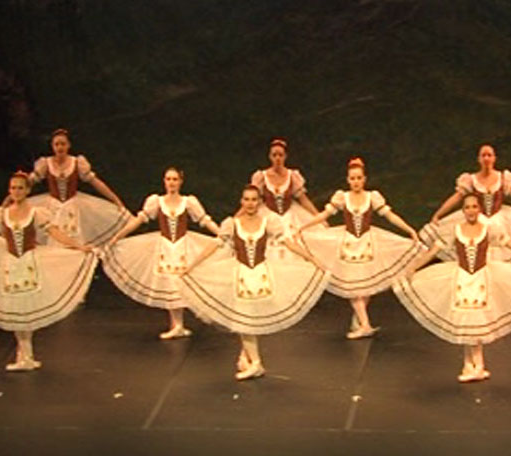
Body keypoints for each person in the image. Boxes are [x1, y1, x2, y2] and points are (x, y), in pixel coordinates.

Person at [0, 171, 96, 371]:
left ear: (28, 190)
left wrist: (79, 246)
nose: (16, 191)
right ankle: (24, 353)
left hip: (28, 263)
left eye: (20, 188)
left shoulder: (36, 212)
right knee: (15, 309)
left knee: (25, 310)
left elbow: (55, 232)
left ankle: (26, 354)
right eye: (13, 188)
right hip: (11, 265)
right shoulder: (1, 214)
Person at [395, 194, 511, 382]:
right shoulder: (455, 230)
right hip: (462, 280)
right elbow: (433, 251)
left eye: (474, 206)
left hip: (481, 280)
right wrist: (414, 267)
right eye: (467, 207)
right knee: (466, 323)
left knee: (477, 323)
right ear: (463, 210)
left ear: (479, 209)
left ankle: (479, 364)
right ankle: (469, 364)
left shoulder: (488, 229)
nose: (471, 210)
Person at [181, 185, 329, 380]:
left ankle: (254, 362)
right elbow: (215, 245)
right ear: (242, 202)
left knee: (248, 321)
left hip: (261, 276)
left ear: (259, 203)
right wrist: (192, 265)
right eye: (247, 200)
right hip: (241, 276)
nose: (250, 203)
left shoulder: (268, 223)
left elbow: (288, 243)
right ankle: (252, 360)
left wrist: (312, 259)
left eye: (254, 200)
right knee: (244, 320)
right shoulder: (232, 224)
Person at [296, 157, 422, 339]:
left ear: (364, 179)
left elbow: (390, 216)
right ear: (348, 180)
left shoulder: (372, 197)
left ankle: (360, 320)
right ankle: (365, 324)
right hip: (347, 245)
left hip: (368, 244)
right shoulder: (343, 197)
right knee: (354, 288)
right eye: (352, 178)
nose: (356, 182)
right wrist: (304, 226)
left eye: (359, 178)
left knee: (366, 286)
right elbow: (324, 214)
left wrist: (409, 229)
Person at [101, 167, 221, 339]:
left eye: (174, 179)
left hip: (183, 246)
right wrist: (118, 236)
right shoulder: (156, 201)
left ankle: (178, 325)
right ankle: (177, 324)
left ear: (180, 181)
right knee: (170, 283)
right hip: (165, 246)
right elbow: (139, 220)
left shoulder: (188, 202)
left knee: (180, 283)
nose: (171, 183)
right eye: (168, 179)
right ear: (164, 181)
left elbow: (204, 220)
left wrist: (220, 234)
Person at [421, 144, 511, 262]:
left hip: (500, 219)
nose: (486, 158)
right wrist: (438, 214)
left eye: (489, 155)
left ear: (494, 158)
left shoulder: (503, 177)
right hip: (478, 218)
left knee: (504, 246)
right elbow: (456, 198)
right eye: (483, 155)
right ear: (479, 159)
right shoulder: (471, 179)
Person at [28, 128, 130, 246]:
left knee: (74, 239)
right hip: (52, 207)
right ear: (52, 146)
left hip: (73, 206)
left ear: (68, 145)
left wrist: (115, 200)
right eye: (56, 144)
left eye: (63, 144)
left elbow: (96, 182)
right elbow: (27, 183)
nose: (60, 147)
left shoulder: (76, 162)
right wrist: (11, 199)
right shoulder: (46, 163)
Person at [249, 138, 323, 233]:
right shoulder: (261, 176)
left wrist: (319, 218)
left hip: (291, 216)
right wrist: (236, 219)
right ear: (270, 157)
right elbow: (251, 199)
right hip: (267, 215)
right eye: (274, 155)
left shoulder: (292, 175)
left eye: (280, 155)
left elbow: (304, 200)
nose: (277, 158)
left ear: (285, 156)